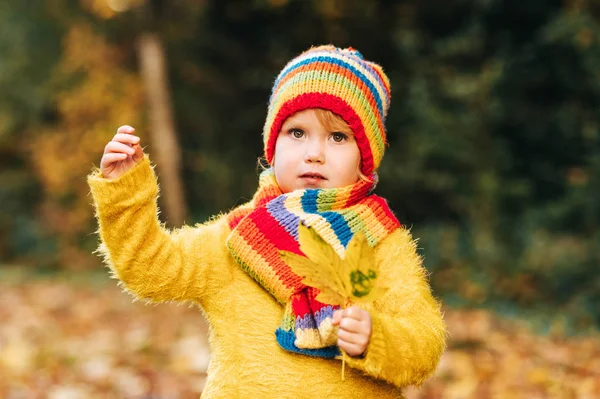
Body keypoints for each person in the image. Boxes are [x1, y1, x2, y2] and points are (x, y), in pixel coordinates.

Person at [88, 45, 446, 398]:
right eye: (297, 133)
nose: (314, 153)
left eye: (338, 137)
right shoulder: (237, 236)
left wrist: (377, 337)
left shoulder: (381, 242)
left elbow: (423, 343)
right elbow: (149, 269)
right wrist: (125, 193)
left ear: (365, 158)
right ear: (272, 147)